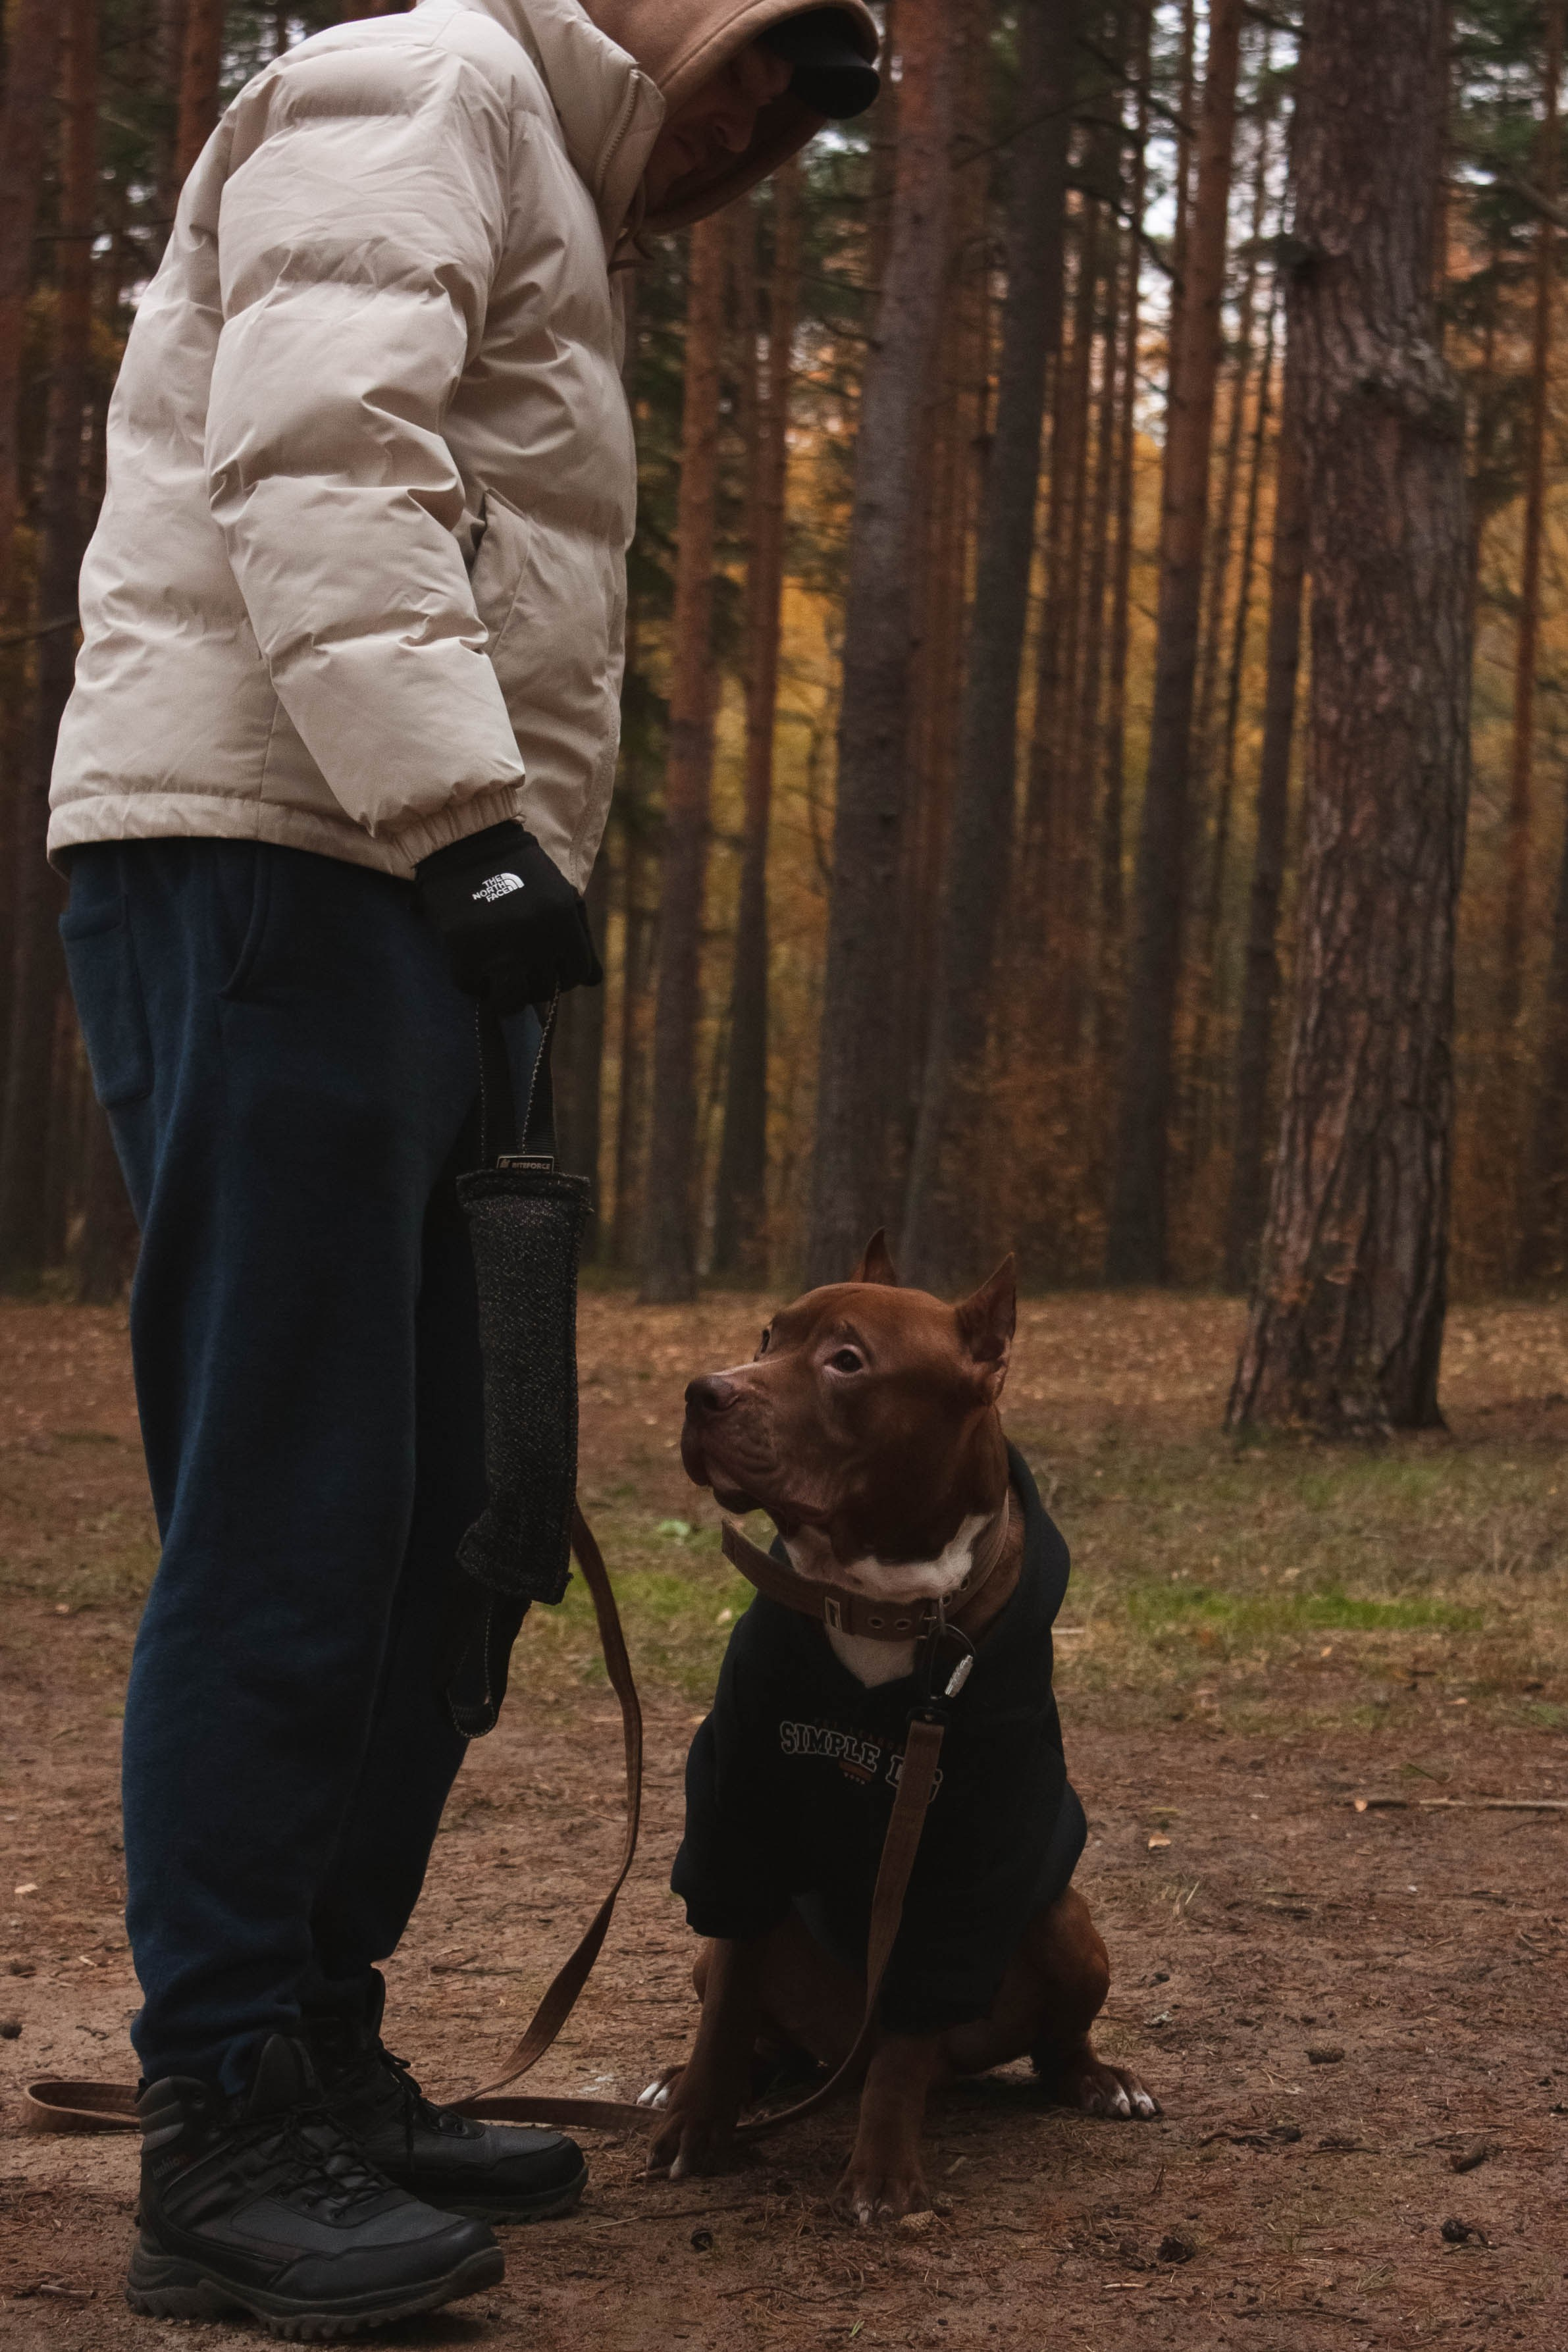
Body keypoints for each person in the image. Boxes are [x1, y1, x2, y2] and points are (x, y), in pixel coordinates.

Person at [48, 0, 878, 2330]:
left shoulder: (538, 181)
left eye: (793, 106)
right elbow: (322, 441)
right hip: (289, 855)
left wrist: (473, 858)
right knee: (303, 1501)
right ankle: (223, 2122)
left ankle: (318, 2046)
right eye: (746, 60)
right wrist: (459, 816)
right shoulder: (429, 83)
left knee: (456, 1519)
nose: (748, 123)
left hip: (396, 884)